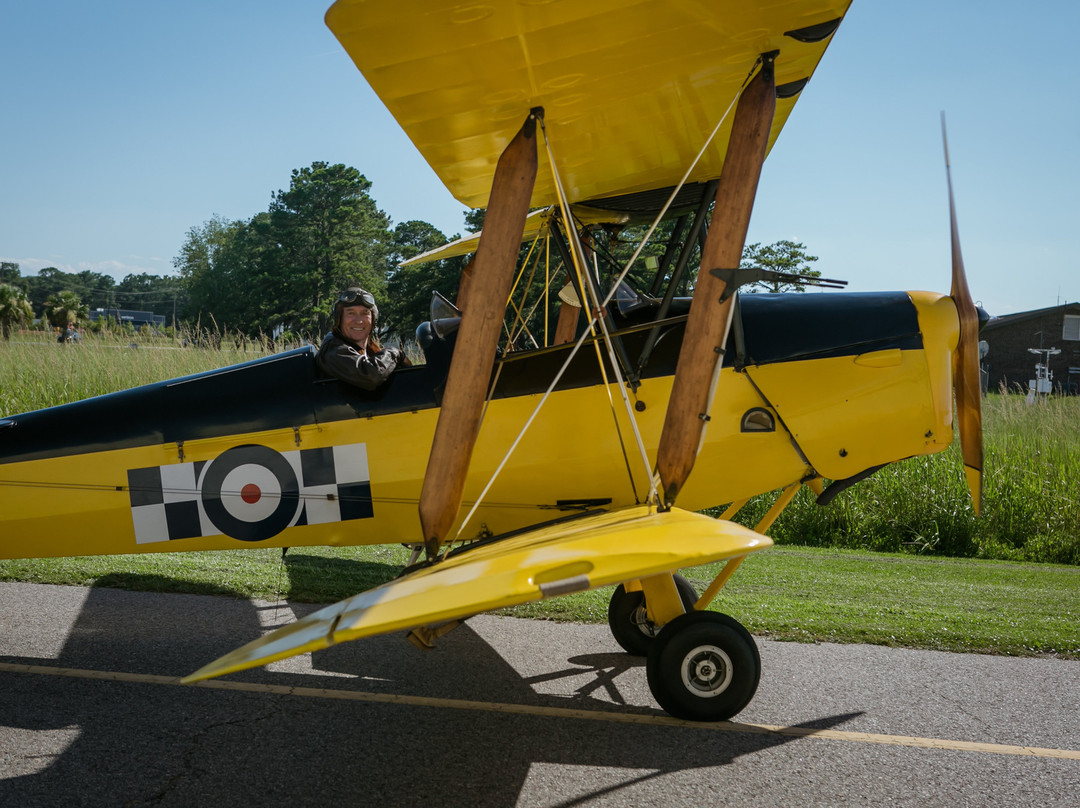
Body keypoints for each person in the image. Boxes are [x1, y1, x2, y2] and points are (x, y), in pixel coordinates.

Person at [316, 287, 409, 390]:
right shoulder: (334, 350)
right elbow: (371, 375)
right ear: (339, 319)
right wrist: (395, 353)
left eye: (365, 313)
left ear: (373, 320)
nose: (359, 321)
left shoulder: (367, 350)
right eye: (350, 313)